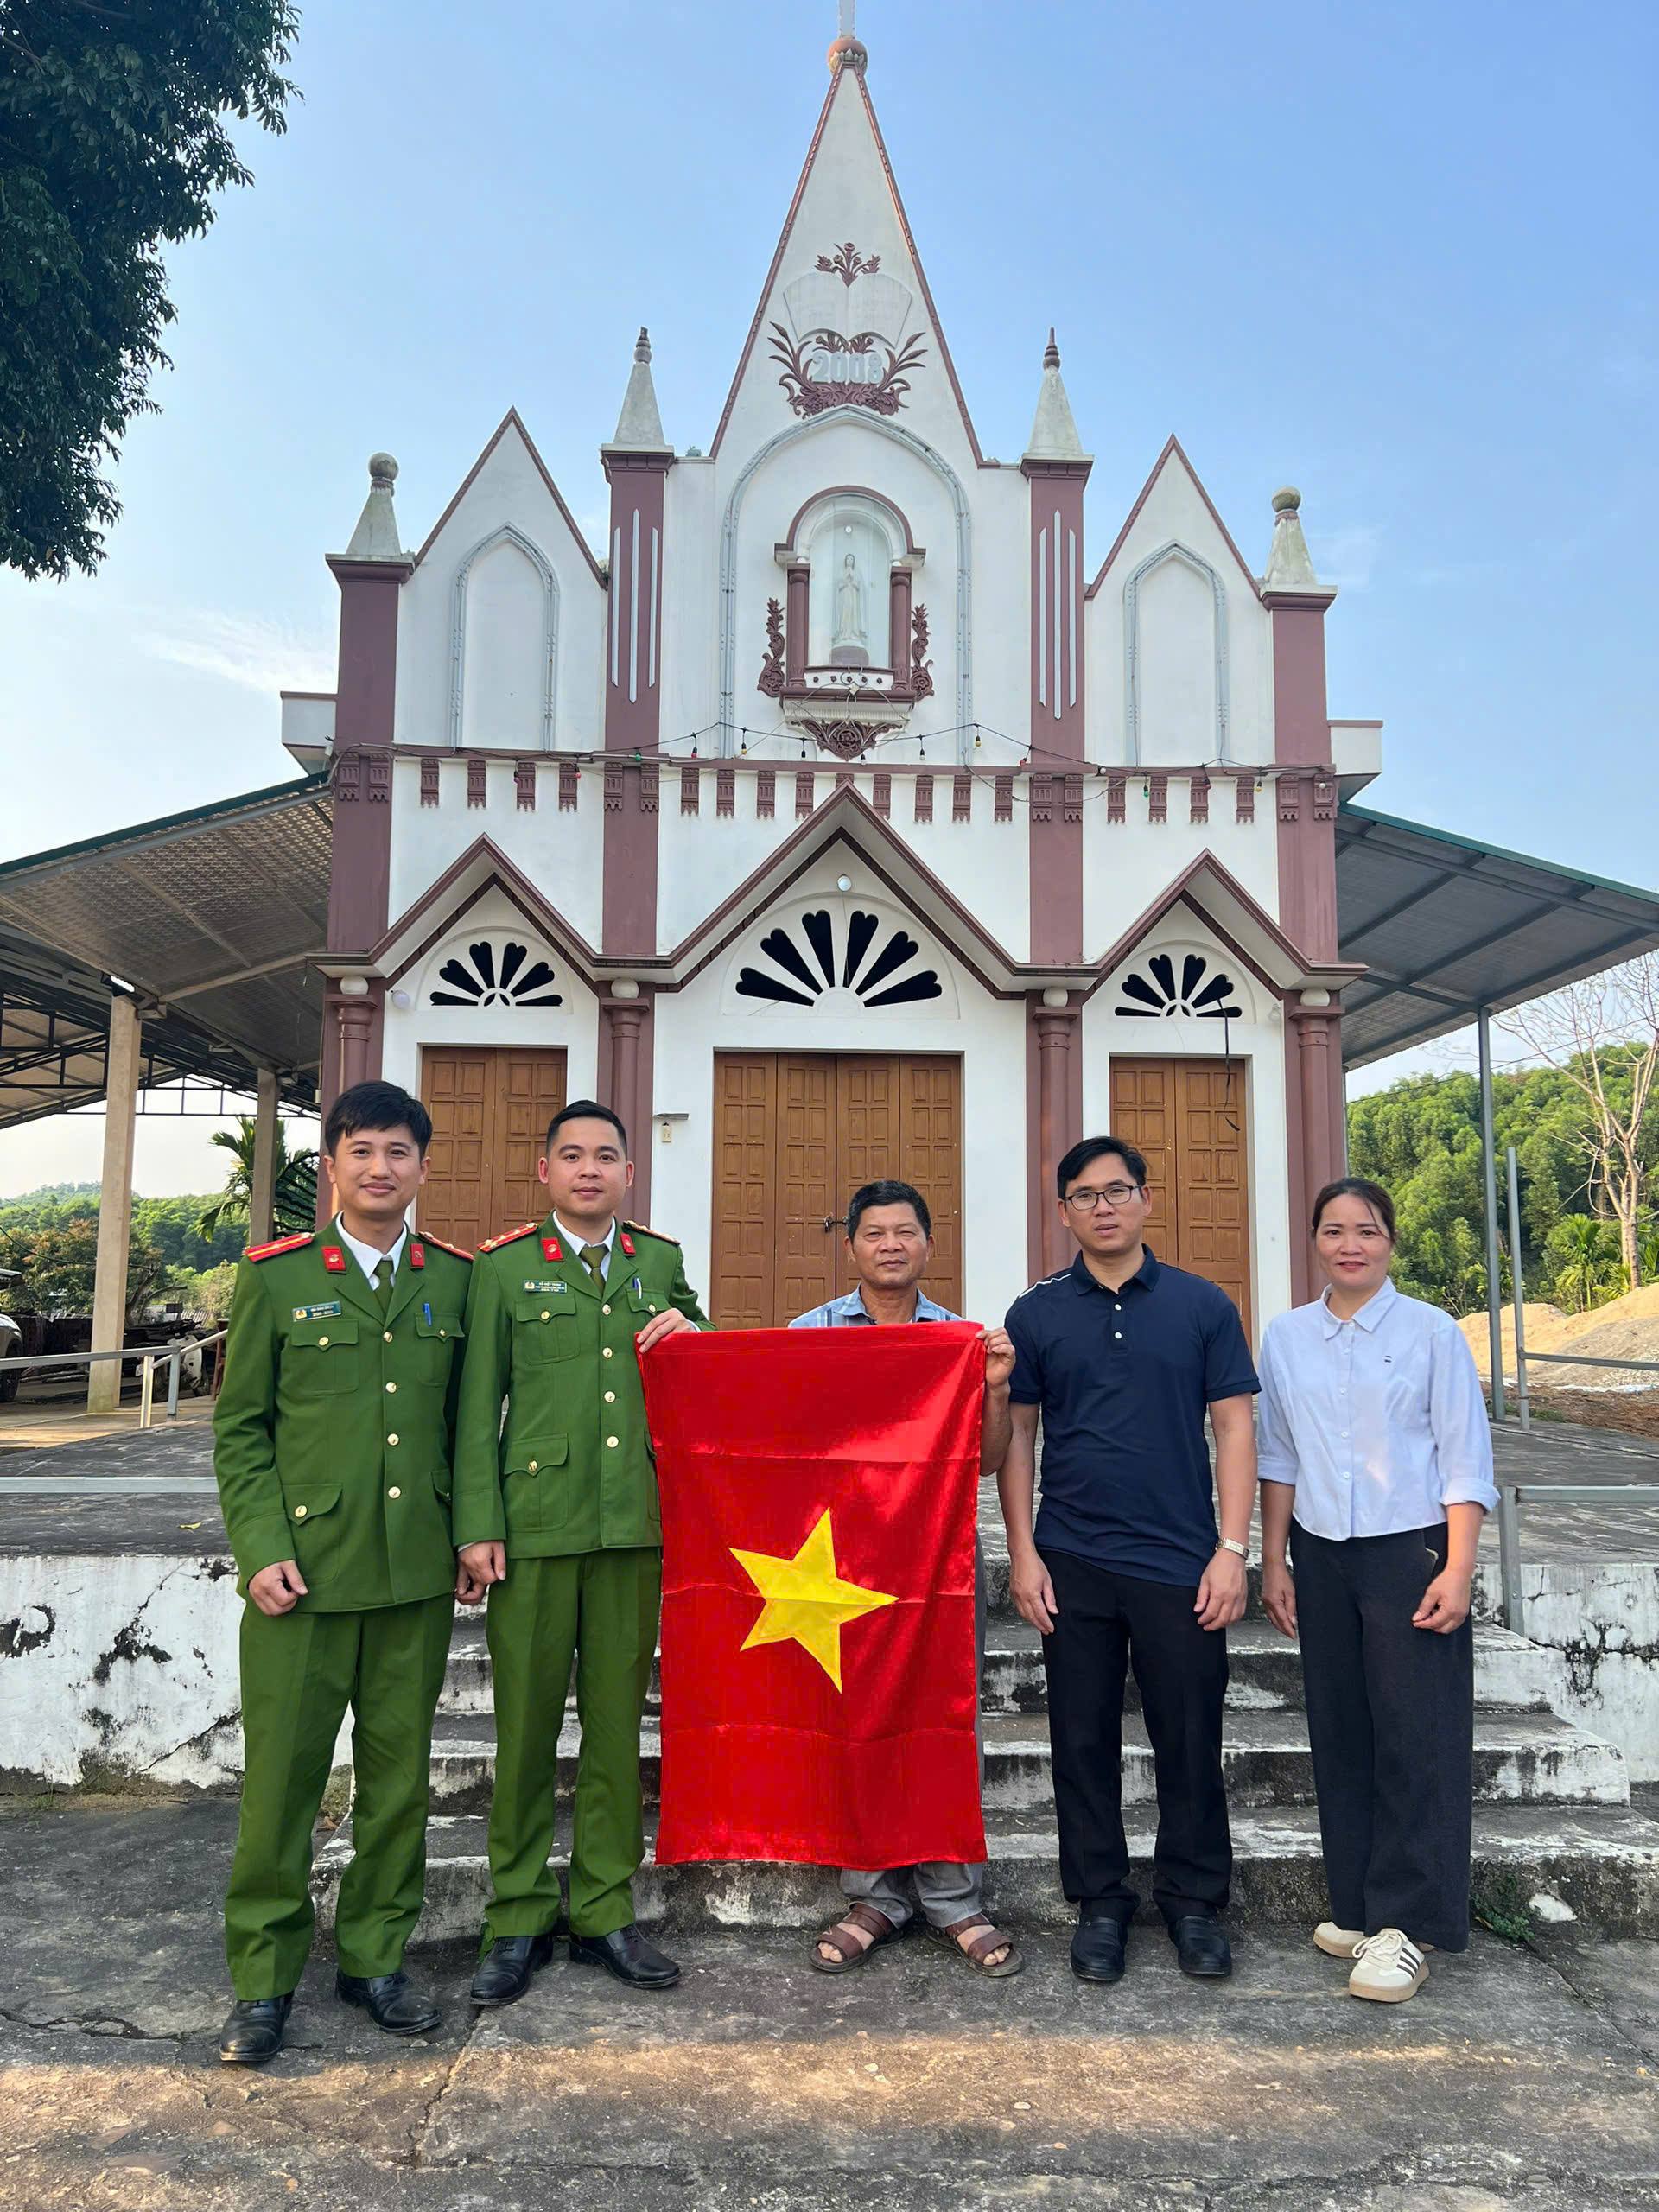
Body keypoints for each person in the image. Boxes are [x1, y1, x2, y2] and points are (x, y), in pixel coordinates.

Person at [213, 1080, 474, 2066]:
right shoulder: (277, 1278)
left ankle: (374, 1958)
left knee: (399, 1787)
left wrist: (471, 1535)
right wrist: (261, 1548)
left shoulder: (454, 1280)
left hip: (413, 1578)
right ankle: (263, 1980)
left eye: (398, 1151)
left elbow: (466, 1426)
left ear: (422, 1166)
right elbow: (242, 1429)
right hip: (304, 1581)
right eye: (361, 1150)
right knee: (281, 1786)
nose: (379, 1167)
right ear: (331, 1165)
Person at [452, 1100, 709, 2007]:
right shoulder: (503, 1267)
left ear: (630, 1174)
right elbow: (474, 1406)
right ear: (546, 1171)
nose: (589, 1169)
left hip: (634, 1527)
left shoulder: (659, 1262)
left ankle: (603, 1909)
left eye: (606, 1156)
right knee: (523, 1731)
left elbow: (704, 1377)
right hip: (535, 1529)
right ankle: (517, 1915)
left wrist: (695, 1336)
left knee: (613, 1730)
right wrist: (475, 1523)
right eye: (572, 1155)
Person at [1000, 1135, 1258, 1985]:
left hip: (1181, 1561)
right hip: (1072, 1557)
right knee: (1080, 1739)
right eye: (1084, 1195)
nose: (1102, 1207)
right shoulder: (1036, 1313)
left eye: (1117, 1190)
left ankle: (1194, 1901)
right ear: (1063, 1211)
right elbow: (1019, 1438)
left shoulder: (1202, 1305)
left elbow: (1234, 1428)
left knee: (1190, 1736)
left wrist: (1232, 1550)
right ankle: (1101, 1901)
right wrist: (1023, 1552)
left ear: (1146, 1199)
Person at [1257, 1176, 1497, 2004]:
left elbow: (1465, 1457)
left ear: (1391, 1240)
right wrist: (1274, 1559)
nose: (1349, 1244)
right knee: (1342, 1731)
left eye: (1366, 1229)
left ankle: (1407, 1926)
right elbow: (1279, 1455)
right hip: (1322, 1552)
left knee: (1416, 1734)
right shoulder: (1287, 1336)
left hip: (1411, 1550)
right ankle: (1360, 1908)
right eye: (1333, 1230)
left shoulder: (1431, 1332)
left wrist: (1457, 1567)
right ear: (1314, 1242)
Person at [790, 1179, 1021, 1980]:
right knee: (856, 1719)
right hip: (841, 1561)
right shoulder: (809, 1336)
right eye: (875, 1233)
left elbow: (988, 1460)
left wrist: (995, 1387)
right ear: (850, 1245)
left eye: (905, 1232)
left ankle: (955, 1899)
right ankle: (875, 1896)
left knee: (944, 1719)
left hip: (937, 1560)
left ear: (928, 1244)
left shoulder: (960, 1341)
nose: (890, 1245)